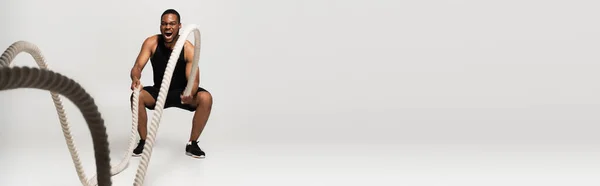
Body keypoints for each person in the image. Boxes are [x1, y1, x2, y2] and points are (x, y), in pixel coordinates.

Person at [129, 9, 212, 158]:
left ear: (179, 26)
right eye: (164, 24)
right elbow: (137, 67)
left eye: (172, 24)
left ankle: (192, 144)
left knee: (206, 98)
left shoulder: (188, 48)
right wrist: (135, 79)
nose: (168, 27)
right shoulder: (151, 42)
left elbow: (194, 79)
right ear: (160, 26)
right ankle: (143, 141)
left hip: (182, 93)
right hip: (159, 92)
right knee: (137, 96)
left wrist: (190, 93)